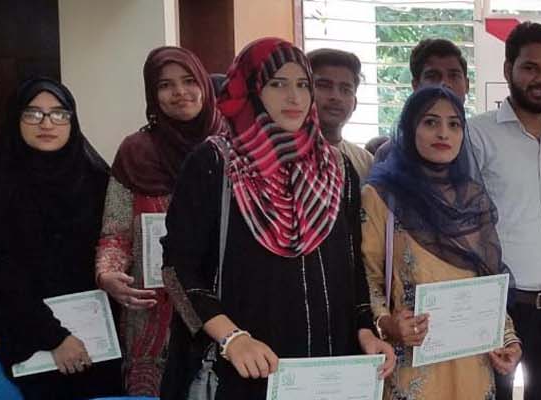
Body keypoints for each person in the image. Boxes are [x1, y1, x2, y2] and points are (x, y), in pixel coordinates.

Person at [158, 38, 394, 399]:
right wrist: (232, 338)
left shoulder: (337, 168)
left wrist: (365, 328)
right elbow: (177, 269)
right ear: (250, 89)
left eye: (302, 84)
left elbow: (351, 264)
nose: (294, 97)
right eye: (277, 84)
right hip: (248, 363)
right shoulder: (215, 163)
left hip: (328, 363)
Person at [362, 86, 522, 400]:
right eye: (430, 122)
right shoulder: (382, 196)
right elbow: (368, 276)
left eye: (454, 124)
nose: (443, 133)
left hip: (472, 362)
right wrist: (387, 324)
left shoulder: (472, 197)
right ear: (410, 129)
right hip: (412, 359)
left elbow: (488, 278)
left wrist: (508, 337)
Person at [94, 46, 228, 396]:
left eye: (189, 81)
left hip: (223, 303)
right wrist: (108, 273)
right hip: (153, 308)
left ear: (204, 84)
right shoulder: (136, 151)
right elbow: (116, 230)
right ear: (152, 94)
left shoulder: (234, 146)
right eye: (165, 85)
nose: (179, 92)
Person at [465, 22, 541, 400]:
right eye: (530, 67)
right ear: (508, 70)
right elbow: (463, 226)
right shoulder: (477, 135)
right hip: (501, 308)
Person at [0, 77, 121, 399]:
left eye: (59, 113)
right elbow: (1, 273)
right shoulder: (1, 184)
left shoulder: (98, 180)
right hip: (31, 339)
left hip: (99, 339)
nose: (47, 123)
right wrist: (53, 337)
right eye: (33, 113)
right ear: (16, 118)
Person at [307, 48, 374, 180]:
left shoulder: (367, 163)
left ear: (355, 103)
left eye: (345, 89)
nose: (336, 97)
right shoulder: (282, 157)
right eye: (324, 86)